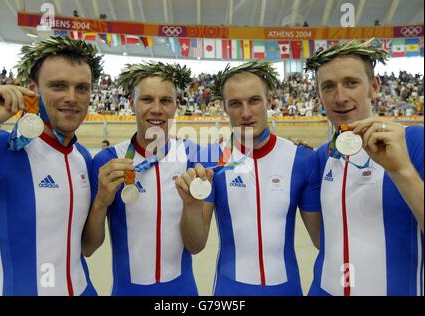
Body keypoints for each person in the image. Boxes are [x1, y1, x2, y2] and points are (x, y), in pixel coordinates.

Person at [175, 61, 322, 296]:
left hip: (287, 289)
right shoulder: (210, 159)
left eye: (254, 100)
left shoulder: (302, 160)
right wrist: (190, 206)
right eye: (235, 104)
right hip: (230, 291)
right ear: (224, 107)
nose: (245, 113)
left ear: (270, 100)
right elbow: (195, 245)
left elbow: (321, 240)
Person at [0, 36, 103, 296]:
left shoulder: (82, 156)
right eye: (58, 86)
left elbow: (84, 247)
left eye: (82, 88)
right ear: (33, 89)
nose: (72, 97)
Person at [305, 39, 424, 296]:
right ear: (320, 96)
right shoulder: (319, 157)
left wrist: (402, 170)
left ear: (374, 87)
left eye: (351, 83)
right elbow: (321, 240)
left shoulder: (415, 142)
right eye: (328, 87)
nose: (340, 97)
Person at [82, 62, 200, 296]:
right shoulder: (107, 160)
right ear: (131, 103)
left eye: (165, 100)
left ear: (176, 106)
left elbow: (196, 245)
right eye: (146, 99)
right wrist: (101, 202)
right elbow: (88, 247)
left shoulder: (193, 155)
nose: (156, 109)